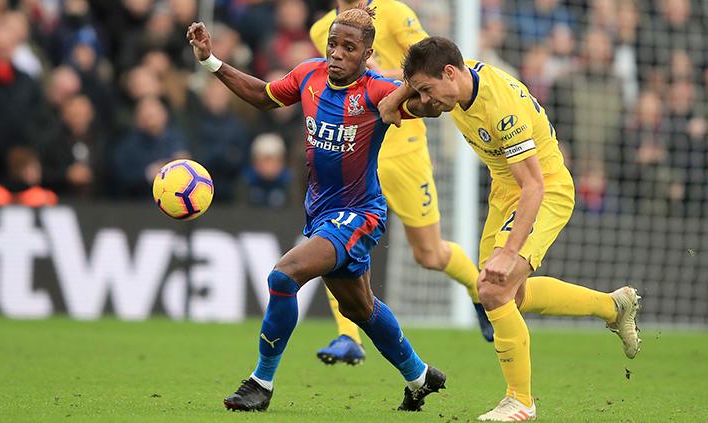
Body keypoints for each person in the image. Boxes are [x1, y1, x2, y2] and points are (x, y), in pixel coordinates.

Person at [186, 6, 446, 413]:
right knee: (359, 308)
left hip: (360, 213)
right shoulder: (309, 75)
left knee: (283, 276)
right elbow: (263, 96)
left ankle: (261, 383)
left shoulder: (378, 91)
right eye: (333, 44)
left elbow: (427, 106)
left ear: (367, 54)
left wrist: (419, 90)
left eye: (349, 47)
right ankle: (419, 375)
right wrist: (211, 61)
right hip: (322, 213)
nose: (337, 53)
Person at [378, 36, 642, 421]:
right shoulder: (455, 77)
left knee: (493, 288)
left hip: (543, 189)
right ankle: (613, 306)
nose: (424, 99)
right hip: (506, 191)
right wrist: (398, 95)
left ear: (449, 75)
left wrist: (507, 252)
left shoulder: (501, 108)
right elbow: (429, 85)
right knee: (508, 297)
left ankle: (521, 401)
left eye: (427, 90)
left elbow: (534, 186)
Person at [309, 0, 493, 367]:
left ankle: (478, 289)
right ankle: (348, 337)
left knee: (430, 254)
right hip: (355, 150)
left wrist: (380, 75)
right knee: (331, 239)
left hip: (403, 147)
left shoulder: (392, 11)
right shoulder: (321, 31)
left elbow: (431, 68)